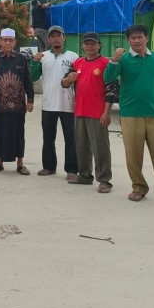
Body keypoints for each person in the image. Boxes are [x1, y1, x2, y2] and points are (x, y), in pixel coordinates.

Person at [103, 23, 154, 208]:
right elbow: (108, 78)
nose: (137, 40)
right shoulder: (123, 60)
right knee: (133, 156)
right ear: (128, 40)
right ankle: (139, 188)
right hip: (130, 115)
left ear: (146, 38)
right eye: (133, 38)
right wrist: (114, 60)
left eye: (140, 37)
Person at [61, 32, 116, 193]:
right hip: (79, 111)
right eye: (87, 43)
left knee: (101, 148)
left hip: (98, 113)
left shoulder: (106, 63)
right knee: (81, 146)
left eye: (93, 43)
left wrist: (107, 113)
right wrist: (68, 80)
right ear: (82, 45)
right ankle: (85, 175)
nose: (89, 46)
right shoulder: (77, 63)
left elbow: (111, 90)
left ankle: (104, 180)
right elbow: (64, 83)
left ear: (99, 45)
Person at [0, 28, 34, 175]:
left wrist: (30, 99)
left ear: (15, 42)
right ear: (0, 41)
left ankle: (20, 163)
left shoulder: (21, 59)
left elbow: (27, 81)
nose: (8, 43)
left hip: (18, 105)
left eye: (11, 40)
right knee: (0, 133)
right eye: (5, 40)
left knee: (19, 134)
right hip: (0, 106)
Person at [30, 25, 79, 180]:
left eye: (59, 35)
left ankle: (72, 170)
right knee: (48, 138)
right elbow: (32, 77)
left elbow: (78, 81)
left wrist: (78, 99)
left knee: (71, 139)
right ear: (49, 39)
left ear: (64, 37)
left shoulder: (73, 56)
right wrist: (34, 63)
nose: (56, 38)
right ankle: (49, 167)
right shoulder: (43, 56)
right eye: (53, 36)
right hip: (48, 104)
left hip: (68, 104)